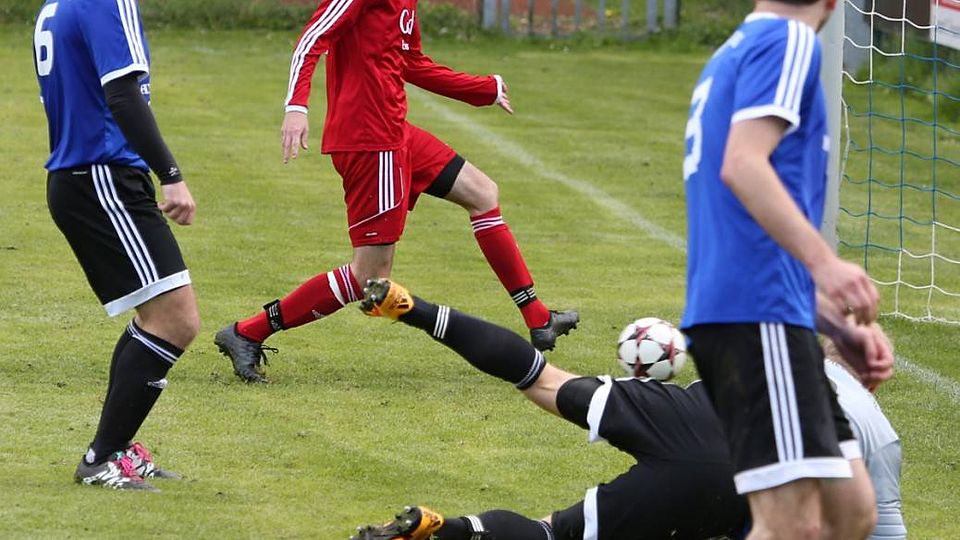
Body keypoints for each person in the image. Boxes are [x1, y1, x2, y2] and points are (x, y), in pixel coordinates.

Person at [349, 279, 903, 540]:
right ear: (873, 379)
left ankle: (412, 308)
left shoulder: (775, 362)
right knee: (551, 535)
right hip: (736, 490)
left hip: (686, 416)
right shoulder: (875, 429)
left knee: (538, 377)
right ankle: (446, 529)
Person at [214, 0, 578, 383]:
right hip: (371, 142)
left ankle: (539, 319)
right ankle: (247, 332)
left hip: (395, 131)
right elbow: (312, 37)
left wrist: (482, 89)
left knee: (482, 193)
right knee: (368, 277)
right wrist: (296, 107)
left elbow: (410, 62)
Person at [680, 0, 893, 538]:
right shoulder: (789, 40)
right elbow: (743, 164)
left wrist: (837, 325)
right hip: (756, 316)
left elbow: (745, 234)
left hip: (757, 311)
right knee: (789, 526)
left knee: (850, 511)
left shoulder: (735, 53)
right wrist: (826, 264)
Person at [33, 0, 199, 490]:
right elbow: (123, 95)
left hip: (86, 176)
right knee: (176, 320)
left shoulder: (57, 5)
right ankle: (100, 457)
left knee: (157, 317)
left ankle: (116, 449)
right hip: (103, 178)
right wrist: (171, 175)